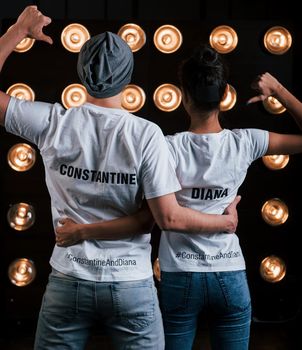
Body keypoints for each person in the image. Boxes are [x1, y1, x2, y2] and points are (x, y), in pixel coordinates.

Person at [0, 6, 240, 350]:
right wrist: (225, 223)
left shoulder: (53, 122)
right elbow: (167, 217)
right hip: (131, 284)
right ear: (128, 78)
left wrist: (18, 30)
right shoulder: (147, 135)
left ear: (81, 73)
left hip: (69, 278)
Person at [56, 47, 302, 350]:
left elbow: (157, 216)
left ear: (184, 96)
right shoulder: (246, 141)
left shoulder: (165, 147)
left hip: (180, 276)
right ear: (225, 94)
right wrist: (277, 90)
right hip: (230, 273)